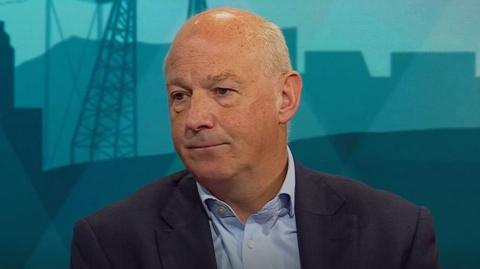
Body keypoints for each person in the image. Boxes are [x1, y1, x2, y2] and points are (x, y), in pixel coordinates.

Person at [71, 7, 441, 269]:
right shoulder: (111, 242)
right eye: (179, 96)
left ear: (285, 98)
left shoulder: (395, 233)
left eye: (222, 91)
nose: (195, 119)